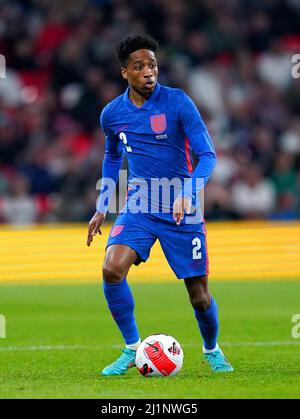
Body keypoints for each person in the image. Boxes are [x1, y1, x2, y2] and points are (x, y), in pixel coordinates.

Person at [87, 33, 233, 375]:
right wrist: (102, 205)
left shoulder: (179, 103)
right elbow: (112, 157)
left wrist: (189, 191)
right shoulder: (112, 114)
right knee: (111, 268)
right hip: (140, 204)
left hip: (182, 208)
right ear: (125, 72)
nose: (148, 72)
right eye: (139, 67)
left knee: (199, 296)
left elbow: (207, 155)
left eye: (152, 65)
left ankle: (212, 350)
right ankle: (131, 348)